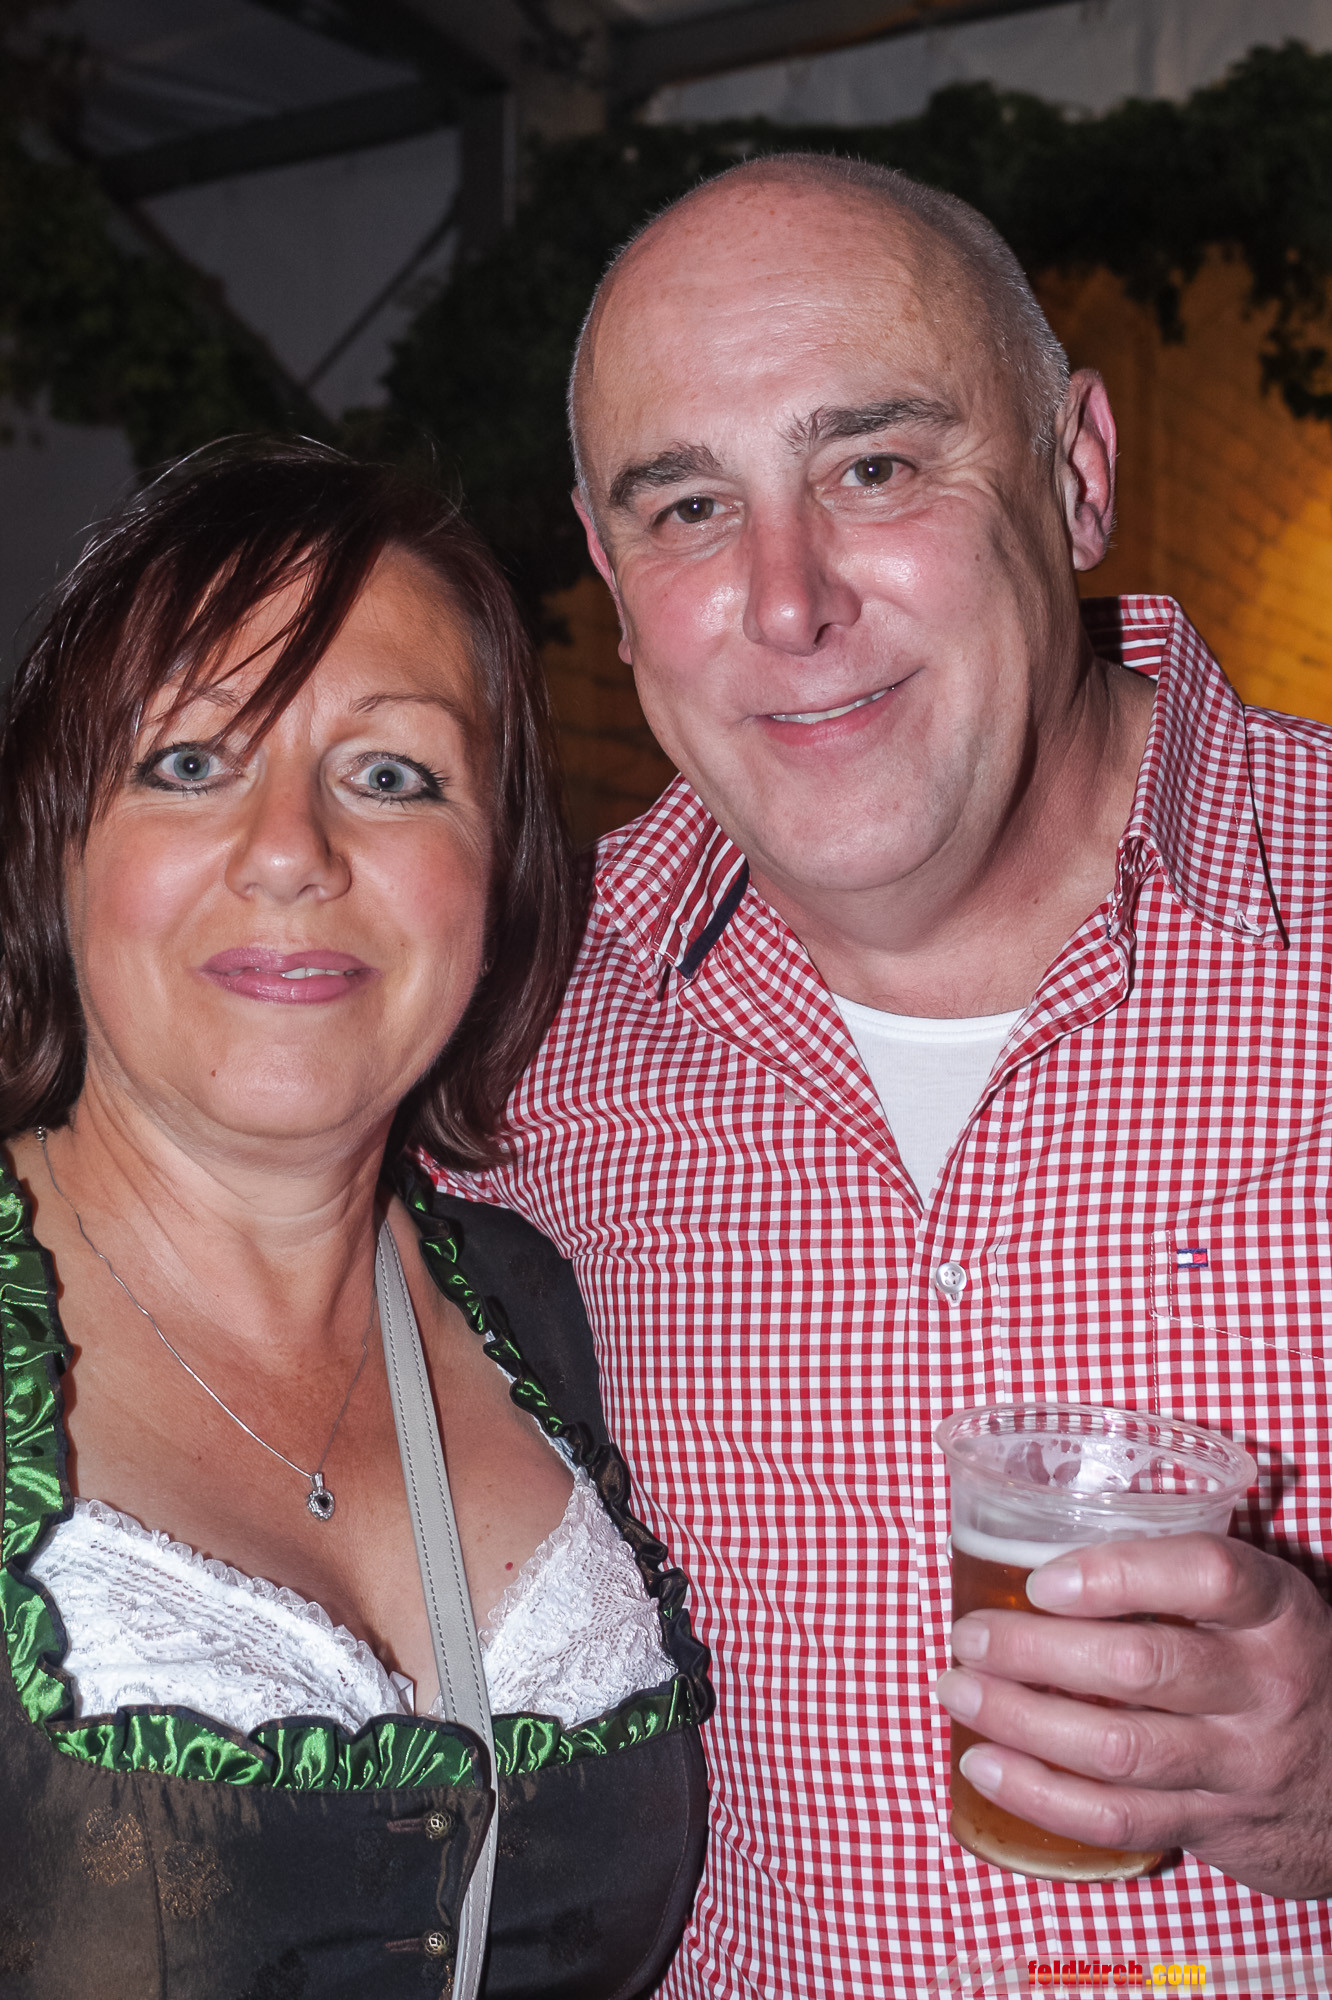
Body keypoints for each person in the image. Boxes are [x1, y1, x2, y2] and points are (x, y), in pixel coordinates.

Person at [421, 153, 1332, 1995]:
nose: (786, 600)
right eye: (690, 506)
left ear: (1077, 475)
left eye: (877, 467)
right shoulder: (505, 1033)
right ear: (611, 579)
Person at [0, 439, 710, 2000]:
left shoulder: (553, 1310)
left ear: (497, 879)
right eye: (192, 762)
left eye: (392, 776)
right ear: (57, 845)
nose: (289, 852)